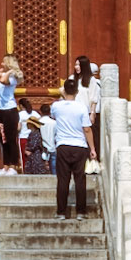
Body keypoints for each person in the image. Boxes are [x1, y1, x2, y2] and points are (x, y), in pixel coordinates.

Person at [50, 77, 96, 220]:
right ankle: (81, 212)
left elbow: (53, 116)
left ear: (64, 90)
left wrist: (63, 95)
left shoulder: (56, 106)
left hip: (63, 145)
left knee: (63, 180)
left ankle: (61, 212)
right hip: (79, 146)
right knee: (80, 179)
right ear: (77, 91)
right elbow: (87, 129)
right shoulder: (82, 107)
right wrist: (92, 148)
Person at [0, 61, 22, 169]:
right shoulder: (6, 75)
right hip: (1, 110)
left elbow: (3, 80)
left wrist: (10, 71)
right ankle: (6, 165)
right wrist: (4, 71)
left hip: (10, 110)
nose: (2, 63)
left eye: (4, 61)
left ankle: (13, 164)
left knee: (10, 138)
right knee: (3, 138)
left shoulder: (12, 78)